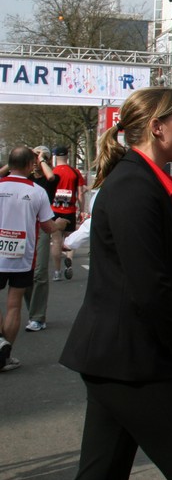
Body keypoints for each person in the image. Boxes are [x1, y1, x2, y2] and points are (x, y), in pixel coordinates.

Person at [59, 87, 172, 480]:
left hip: (119, 358)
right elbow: (150, 286)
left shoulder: (141, 181)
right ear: (157, 127)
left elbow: (159, 280)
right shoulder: (134, 186)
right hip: (129, 359)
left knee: (101, 474)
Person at [0, 146, 68, 372]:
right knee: (14, 305)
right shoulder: (37, 191)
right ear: (31, 166)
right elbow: (48, 227)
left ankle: (0, 342)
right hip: (22, 256)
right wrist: (60, 224)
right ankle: (5, 356)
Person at [22, 146, 58, 332]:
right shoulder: (26, 177)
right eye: (34, 158)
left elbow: (51, 177)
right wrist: (22, 154)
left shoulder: (50, 178)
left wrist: (42, 158)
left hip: (43, 227)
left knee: (40, 272)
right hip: (24, 226)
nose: (36, 161)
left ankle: (37, 317)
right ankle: (33, 311)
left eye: (40, 158)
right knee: (25, 272)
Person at [49, 146, 84, 282]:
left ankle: (57, 272)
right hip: (70, 210)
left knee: (56, 241)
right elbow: (80, 193)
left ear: (55, 157)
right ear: (67, 156)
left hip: (55, 210)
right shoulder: (75, 172)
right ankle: (69, 261)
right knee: (70, 240)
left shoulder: (52, 172)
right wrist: (82, 210)